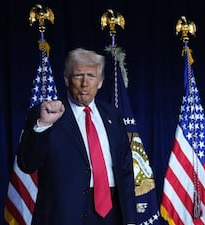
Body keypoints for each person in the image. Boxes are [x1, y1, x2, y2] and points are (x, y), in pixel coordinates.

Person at [17, 48, 136, 225]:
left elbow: (125, 170)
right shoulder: (47, 113)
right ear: (66, 79)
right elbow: (27, 164)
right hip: (65, 216)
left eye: (91, 76)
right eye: (78, 75)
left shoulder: (112, 115)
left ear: (101, 81)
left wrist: (130, 219)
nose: (84, 83)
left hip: (112, 214)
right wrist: (43, 125)